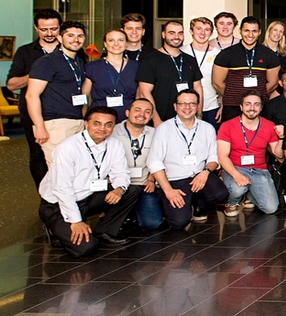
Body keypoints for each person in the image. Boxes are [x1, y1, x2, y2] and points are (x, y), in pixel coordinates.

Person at [38, 106, 140, 257]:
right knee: (86, 248)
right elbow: (62, 189)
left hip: (89, 196)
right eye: (97, 123)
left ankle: (104, 231)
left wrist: (119, 189)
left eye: (108, 124)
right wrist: (76, 221)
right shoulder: (67, 148)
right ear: (86, 124)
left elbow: (121, 173)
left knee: (132, 190)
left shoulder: (114, 144)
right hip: (58, 204)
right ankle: (55, 228)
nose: (102, 129)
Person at [147, 89, 228, 228]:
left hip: (199, 176)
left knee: (221, 194)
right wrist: (168, 190)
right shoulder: (164, 129)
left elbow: (213, 157)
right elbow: (154, 162)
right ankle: (167, 204)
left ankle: (198, 205)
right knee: (179, 222)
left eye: (192, 104)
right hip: (174, 180)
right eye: (183, 104)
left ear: (197, 106)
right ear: (175, 106)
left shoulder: (207, 128)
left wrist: (206, 172)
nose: (187, 107)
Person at [6, 9, 61, 187]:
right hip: (32, 111)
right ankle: (45, 196)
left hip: (64, 111)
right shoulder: (25, 52)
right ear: (36, 28)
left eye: (54, 29)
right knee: (38, 153)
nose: (49, 33)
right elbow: (12, 84)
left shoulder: (72, 50)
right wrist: (38, 74)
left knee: (67, 152)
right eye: (44, 29)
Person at [26, 21, 89, 165]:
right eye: (70, 35)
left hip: (77, 121)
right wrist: (40, 127)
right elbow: (31, 95)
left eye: (80, 36)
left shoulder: (79, 61)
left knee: (77, 169)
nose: (76, 39)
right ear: (60, 38)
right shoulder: (46, 62)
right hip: (55, 124)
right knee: (59, 171)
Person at [216, 92, 282, 217]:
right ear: (241, 107)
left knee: (270, 208)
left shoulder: (269, 125)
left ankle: (249, 194)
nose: (252, 108)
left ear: (261, 108)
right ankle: (232, 202)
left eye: (256, 104)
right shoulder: (227, 126)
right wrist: (236, 175)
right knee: (238, 188)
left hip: (259, 170)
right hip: (235, 168)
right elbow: (222, 156)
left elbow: (278, 154)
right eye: (248, 104)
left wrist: (282, 138)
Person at [212, 17, 280, 123]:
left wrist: (257, 97)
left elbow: (273, 83)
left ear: (260, 32)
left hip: (259, 107)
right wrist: (234, 95)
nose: (250, 35)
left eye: (254, 31)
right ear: (240, 31)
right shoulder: (226, 54)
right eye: (246, 30)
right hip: (232, 106)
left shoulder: (269, 55)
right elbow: (217, 83)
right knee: (231, 137)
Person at [136, 21, 203, 127]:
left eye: (180, 33)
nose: (176, 37)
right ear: (163, 34)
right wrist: (156, 120)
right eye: (171, 33)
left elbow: (198, 88)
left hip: (187, 119)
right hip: (160, 119)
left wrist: (198, 115)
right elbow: (144, 93)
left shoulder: (190, 60)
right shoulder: (150, 60)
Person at [112, 98, 163, 230]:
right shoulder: (112, 132)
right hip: (117, 185)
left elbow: (160, 159)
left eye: (147, 112)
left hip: (144, 184)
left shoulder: (156, 134)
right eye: (137, 110)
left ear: (151, 116)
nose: (142, 114)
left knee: (152, 223)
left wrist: (152, 179)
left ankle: (136, 213)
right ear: (127, 112)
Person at [83, 29, 138, 123]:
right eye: (111, 40)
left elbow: (140, 95)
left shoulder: (137, 66)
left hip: (128, 118)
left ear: (126, 44)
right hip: (99, 119)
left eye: (120, 40)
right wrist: (85, 118)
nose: (116, 44)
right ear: (105, 44)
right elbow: (84, 95)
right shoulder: (92, 67)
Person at [187, 17, 221, 128]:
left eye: (206, 30)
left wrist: (222, 105)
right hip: (186, 106)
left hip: (211, 106)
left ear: (211, 33)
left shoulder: (218, 54)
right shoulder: (182, 52)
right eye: (199, 29)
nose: (202, 33)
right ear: (191, 31)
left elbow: (224, 81)